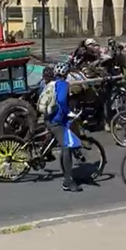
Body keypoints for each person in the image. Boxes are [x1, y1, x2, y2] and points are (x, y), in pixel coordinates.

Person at [45, 62, 80, 192]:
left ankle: (47, 151)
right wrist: (68, 112)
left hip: (47, 118)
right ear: (66, 74)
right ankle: (68, 181)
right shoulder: (64, 85)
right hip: (56, 121)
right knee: (67, 147)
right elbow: (60, 100)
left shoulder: (51, 84)